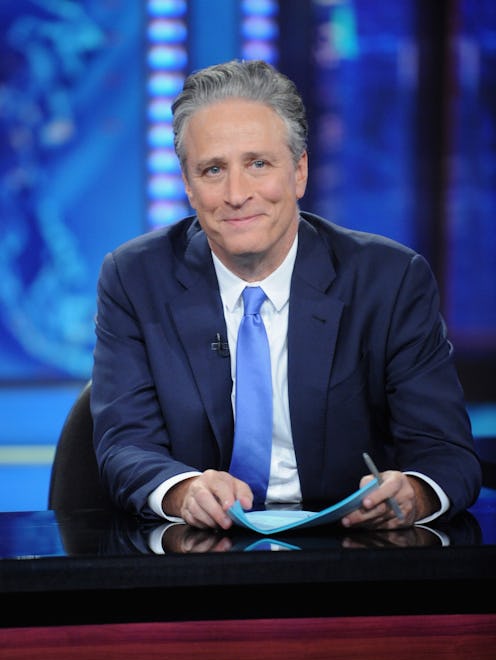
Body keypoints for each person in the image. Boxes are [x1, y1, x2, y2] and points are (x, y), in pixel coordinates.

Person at [90, 59, 481, 531]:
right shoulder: (134, 279)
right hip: (197, 551)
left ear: (299, 171)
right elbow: (124, 444)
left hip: (353, 549)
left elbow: (446, 453)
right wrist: (183, 490)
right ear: (189, 187)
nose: (237, 193)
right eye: (213, 170)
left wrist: (412, 494)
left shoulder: (390, 281)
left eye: (258, 164)